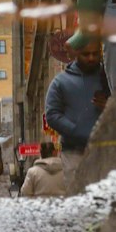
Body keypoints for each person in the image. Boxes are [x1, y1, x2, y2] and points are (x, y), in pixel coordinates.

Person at [43, 40, 109, 184]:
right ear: (76, 53)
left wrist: (109, 106)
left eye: (95, 54)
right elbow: (52, 115)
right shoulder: (60, 82)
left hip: (105, 150)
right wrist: (76, 130)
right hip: (74, 152)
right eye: (86, 54)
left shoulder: (107, 78)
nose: (91, 58)